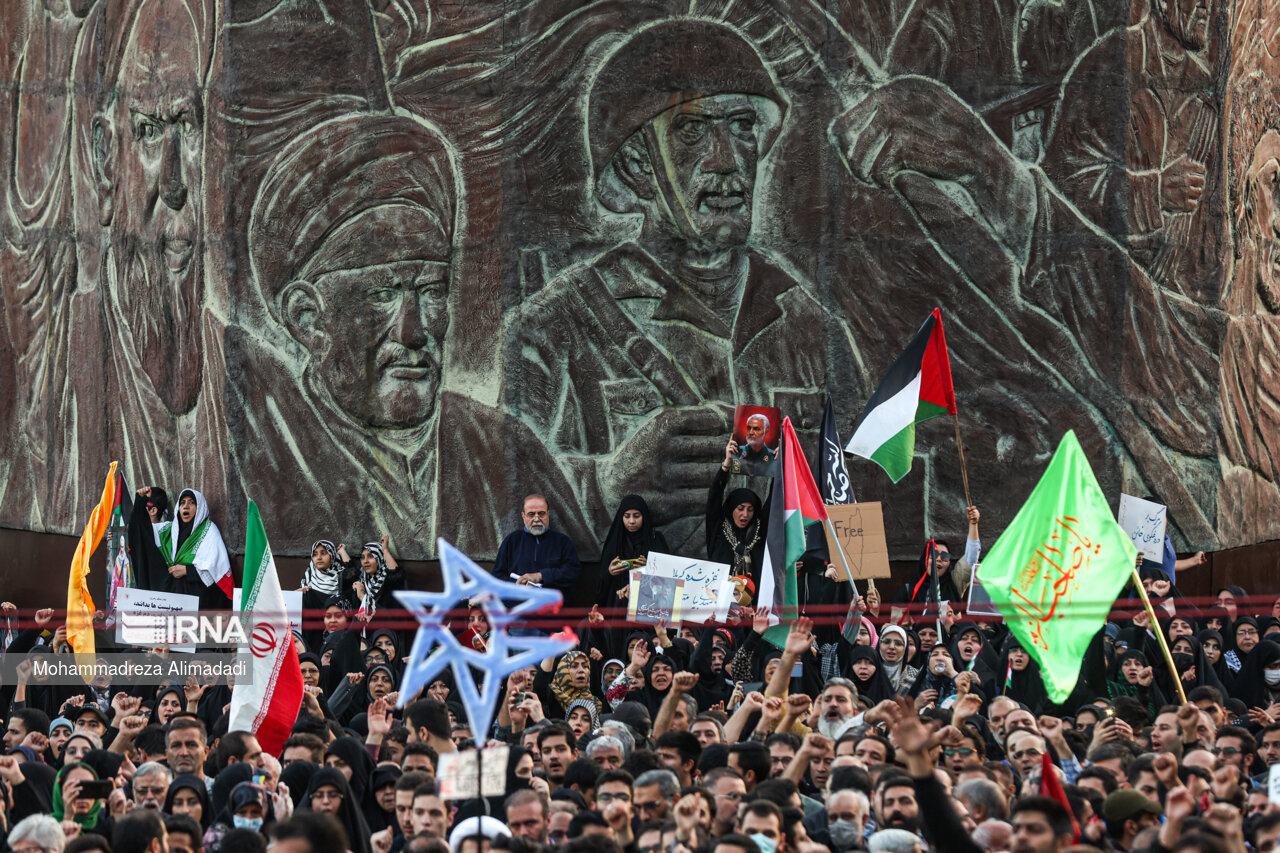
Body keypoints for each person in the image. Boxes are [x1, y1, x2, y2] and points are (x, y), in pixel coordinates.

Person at [504, 17, 858, 552]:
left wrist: (865, 593)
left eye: (742, 126)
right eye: (694, 130)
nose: (728, 160)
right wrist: (606, 486)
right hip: (649, 618)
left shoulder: (813, 328)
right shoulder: (552, 332)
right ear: (638, 165)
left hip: (779, 614)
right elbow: (500, 510)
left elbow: (856, 491)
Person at [707, 441, 768, 589]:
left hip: (754, 607)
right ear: (731, 509)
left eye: (750, 509)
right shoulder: (719, 528)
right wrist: (727, 463)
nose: (745, 514)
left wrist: (779, 465)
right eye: (740, 508)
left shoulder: (759, 530)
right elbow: (715, 494)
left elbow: (775, 500)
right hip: (720, 602)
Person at [491, 495, 582, 592]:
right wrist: (518, 586)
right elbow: (497, 576)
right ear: (523, 516)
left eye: (541, 514)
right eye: (531, 514)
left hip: (551, 603)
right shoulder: (511, 541)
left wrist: (541, 576)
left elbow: (572, 573)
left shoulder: (563, 542)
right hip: (517, 603)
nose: (536, 519)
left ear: (548, 514)